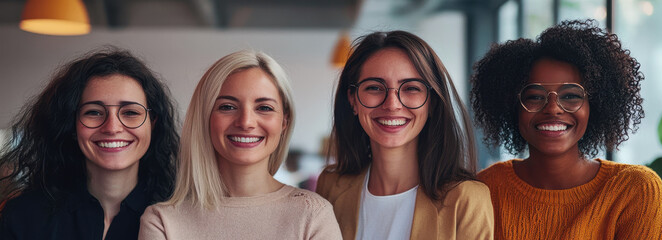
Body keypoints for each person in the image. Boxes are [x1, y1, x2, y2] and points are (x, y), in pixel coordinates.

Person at [471, 19, 662, 239]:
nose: (553, 108)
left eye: (572, 96)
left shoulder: (634, 190)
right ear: (512, 106)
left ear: (595, 105)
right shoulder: (485, 189)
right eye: (535, 96)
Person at [139, 50, 342, 240]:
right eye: (227, 107)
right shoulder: (162, 222)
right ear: (204, 118)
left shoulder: (312, 214)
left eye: (264, 107)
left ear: (284, 122)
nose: (246, 122)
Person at [316, 30, 493, 240]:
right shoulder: (330, 186)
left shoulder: (467, 199)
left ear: (432, 102)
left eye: (411, 88)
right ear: (353, 100)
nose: (392, 104)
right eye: (374, 87)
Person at [0, 49, 180, 239]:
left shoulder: (178, 217)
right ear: (71, 124)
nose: (112, 127)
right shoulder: (23, 217)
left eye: (130, 113)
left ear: (152, 123)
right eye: (93, 112)